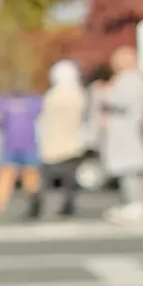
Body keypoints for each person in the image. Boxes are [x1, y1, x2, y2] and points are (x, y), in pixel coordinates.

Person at [97, 46, 143, 223]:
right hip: (123, 131)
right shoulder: (131, 79)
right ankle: (129, 204)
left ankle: (135, 205)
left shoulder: (130, 79)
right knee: (125, 171)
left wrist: (103, 92)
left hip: (126, 131)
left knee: (129, 170)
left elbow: (118, 100)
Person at [31, 60, 89, 219]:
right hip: (73, 141)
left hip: (51, 142)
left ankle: (36, 206)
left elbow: (43, 119)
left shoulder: (52, 96)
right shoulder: (79, 94)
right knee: (69, 178)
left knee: (45, 178)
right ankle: (68, 206)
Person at [0, 85, 44, 219]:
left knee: (28, 177)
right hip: (17, 147)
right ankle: (0, 206)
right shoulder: (7, 101)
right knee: (8, 176)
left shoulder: (32, 100)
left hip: (24, 146)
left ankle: (30, 205)